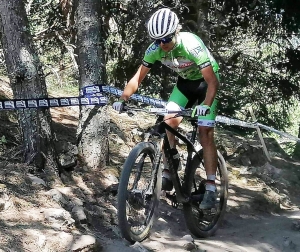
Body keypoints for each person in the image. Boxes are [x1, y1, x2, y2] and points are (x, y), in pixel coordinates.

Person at [113, 8, 220, 210]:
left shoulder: (191, 44)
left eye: (167, 38)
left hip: (207, 84)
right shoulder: (155, 50)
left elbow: (212, 81)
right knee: (168, 119)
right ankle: (170, 168)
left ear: (176, 31)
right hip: (185, 85)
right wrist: (123, 98)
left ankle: (212, 186)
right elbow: (137, 78)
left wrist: (205, 105)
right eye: (158, 40)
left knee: (205, 133)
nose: (163, 44)